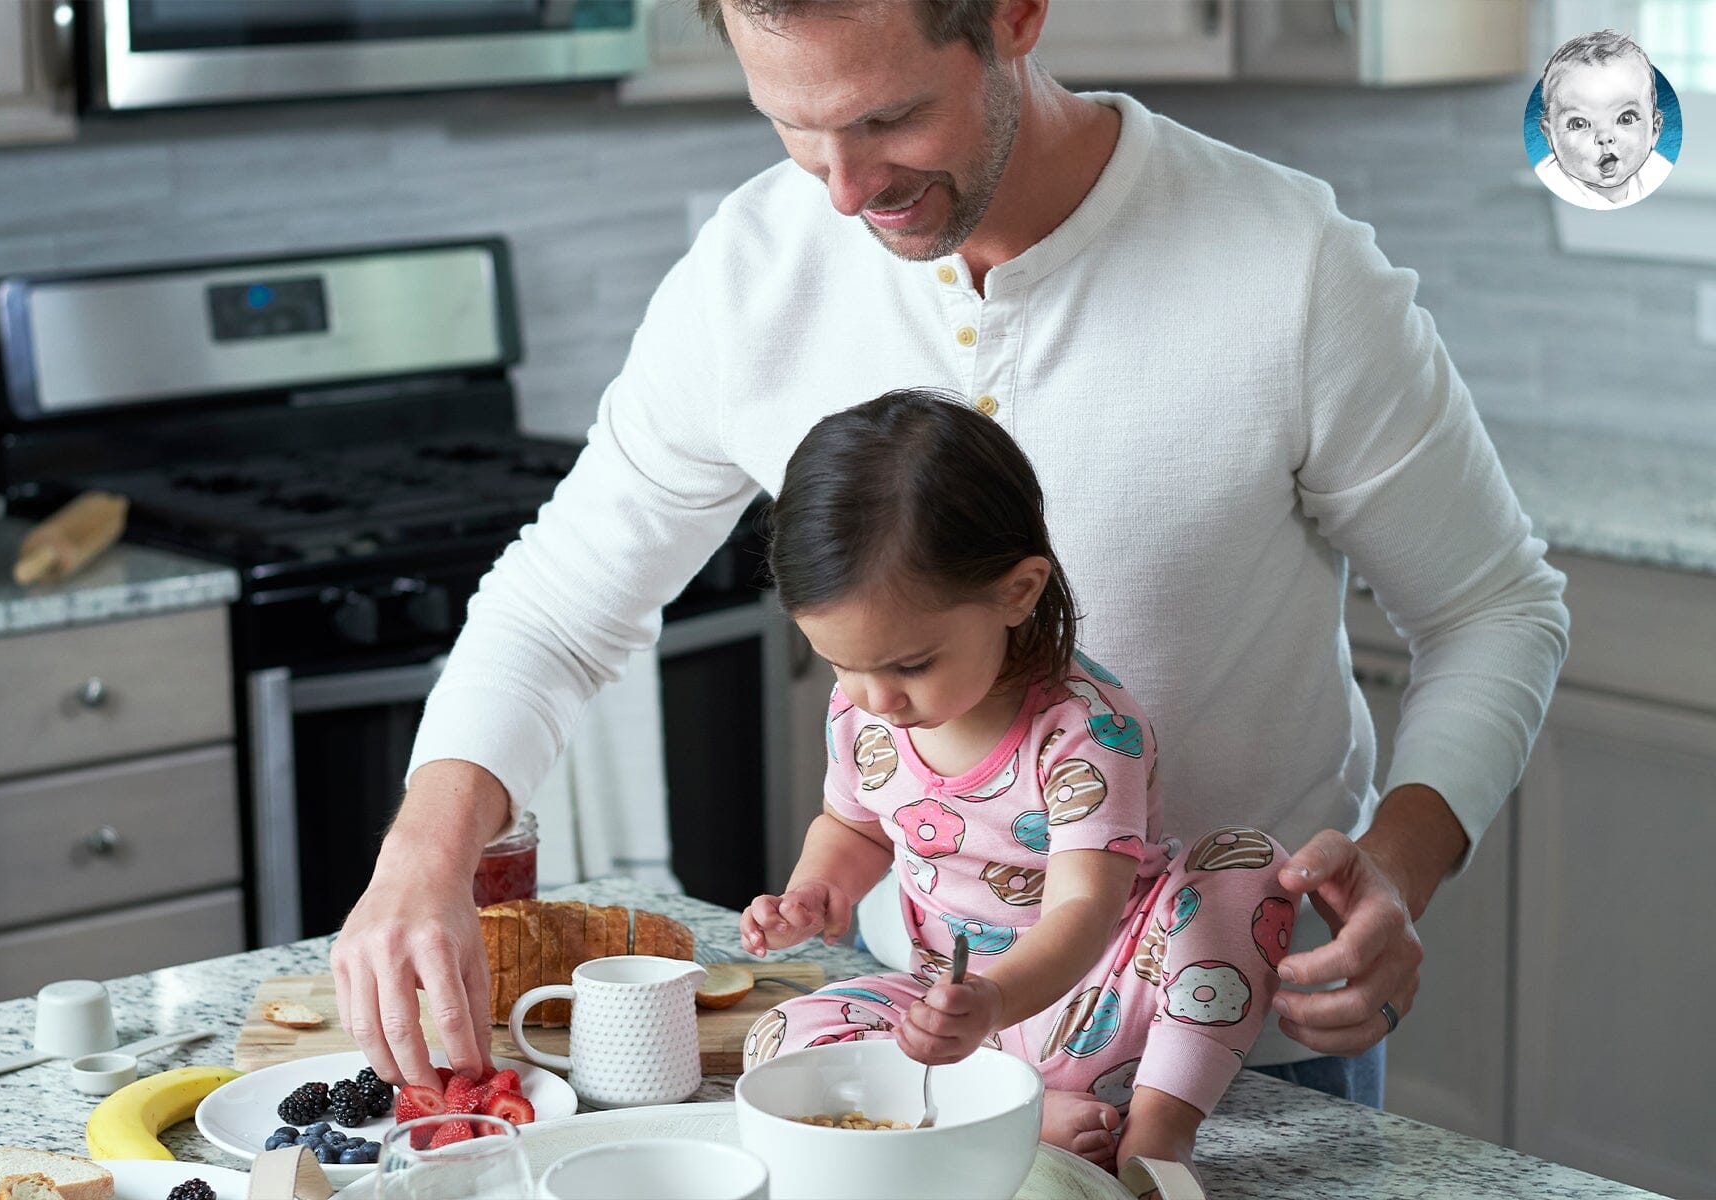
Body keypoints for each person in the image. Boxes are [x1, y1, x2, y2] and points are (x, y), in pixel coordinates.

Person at [332, 0, 1569, 1128]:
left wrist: (1398, 871)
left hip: (1244, 1049)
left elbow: (1495, 609)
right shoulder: (752, 272)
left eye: (890, 119)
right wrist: (422, 856)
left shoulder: (1285, 263)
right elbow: (558, 604)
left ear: (1017, 18)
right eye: (792, 128)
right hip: (916, 1029)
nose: (844, 190)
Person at [739, 388, 1293, 1178]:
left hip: (1096, 999)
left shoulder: (1085, 731)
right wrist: (815, 891)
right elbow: (855, 827)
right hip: (950, 1011)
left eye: (909, 665)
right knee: (778, 1036)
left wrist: (996, 1004)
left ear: (1018, 591)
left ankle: (1160, 1131)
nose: (875, 698)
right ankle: (1016, 1108)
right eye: (841, 662)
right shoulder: (860, 711)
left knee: (1247, 864)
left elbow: (1084, 910)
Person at [1534, 28, 1672, 210]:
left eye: (1625, 118)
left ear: (1654, 130)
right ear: (1550, 135)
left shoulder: (1658, 171)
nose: (1604, 137)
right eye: (1579, 123)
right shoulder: (1551, 184)